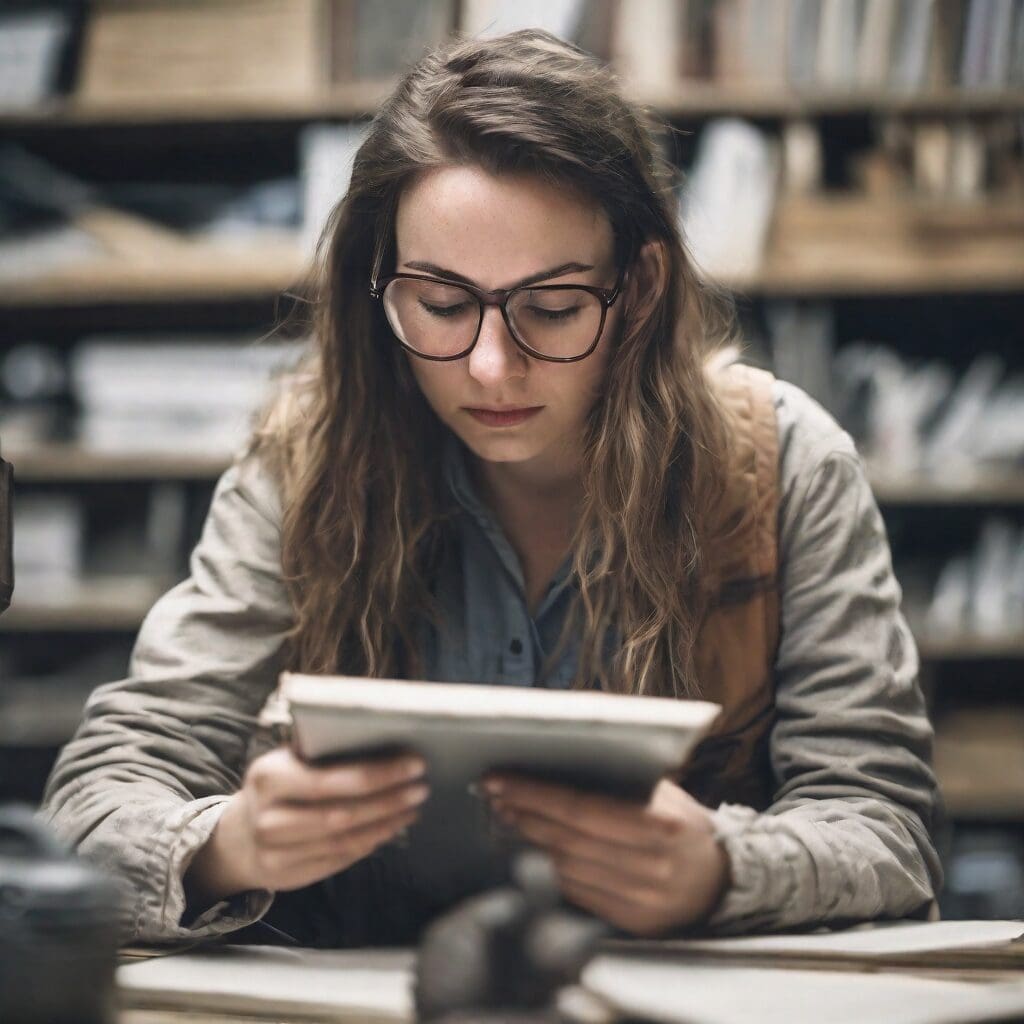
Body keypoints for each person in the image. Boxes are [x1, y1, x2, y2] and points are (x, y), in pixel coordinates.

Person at [41, 30, 941, 946]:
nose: (489, 366)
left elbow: (888, 830)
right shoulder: (302, 466)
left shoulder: (787, 465)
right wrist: (229, 845)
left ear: (637, 289)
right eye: (441, 304)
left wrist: (721, 870)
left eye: (550, 308)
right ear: (379, 286)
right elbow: (90, 809)